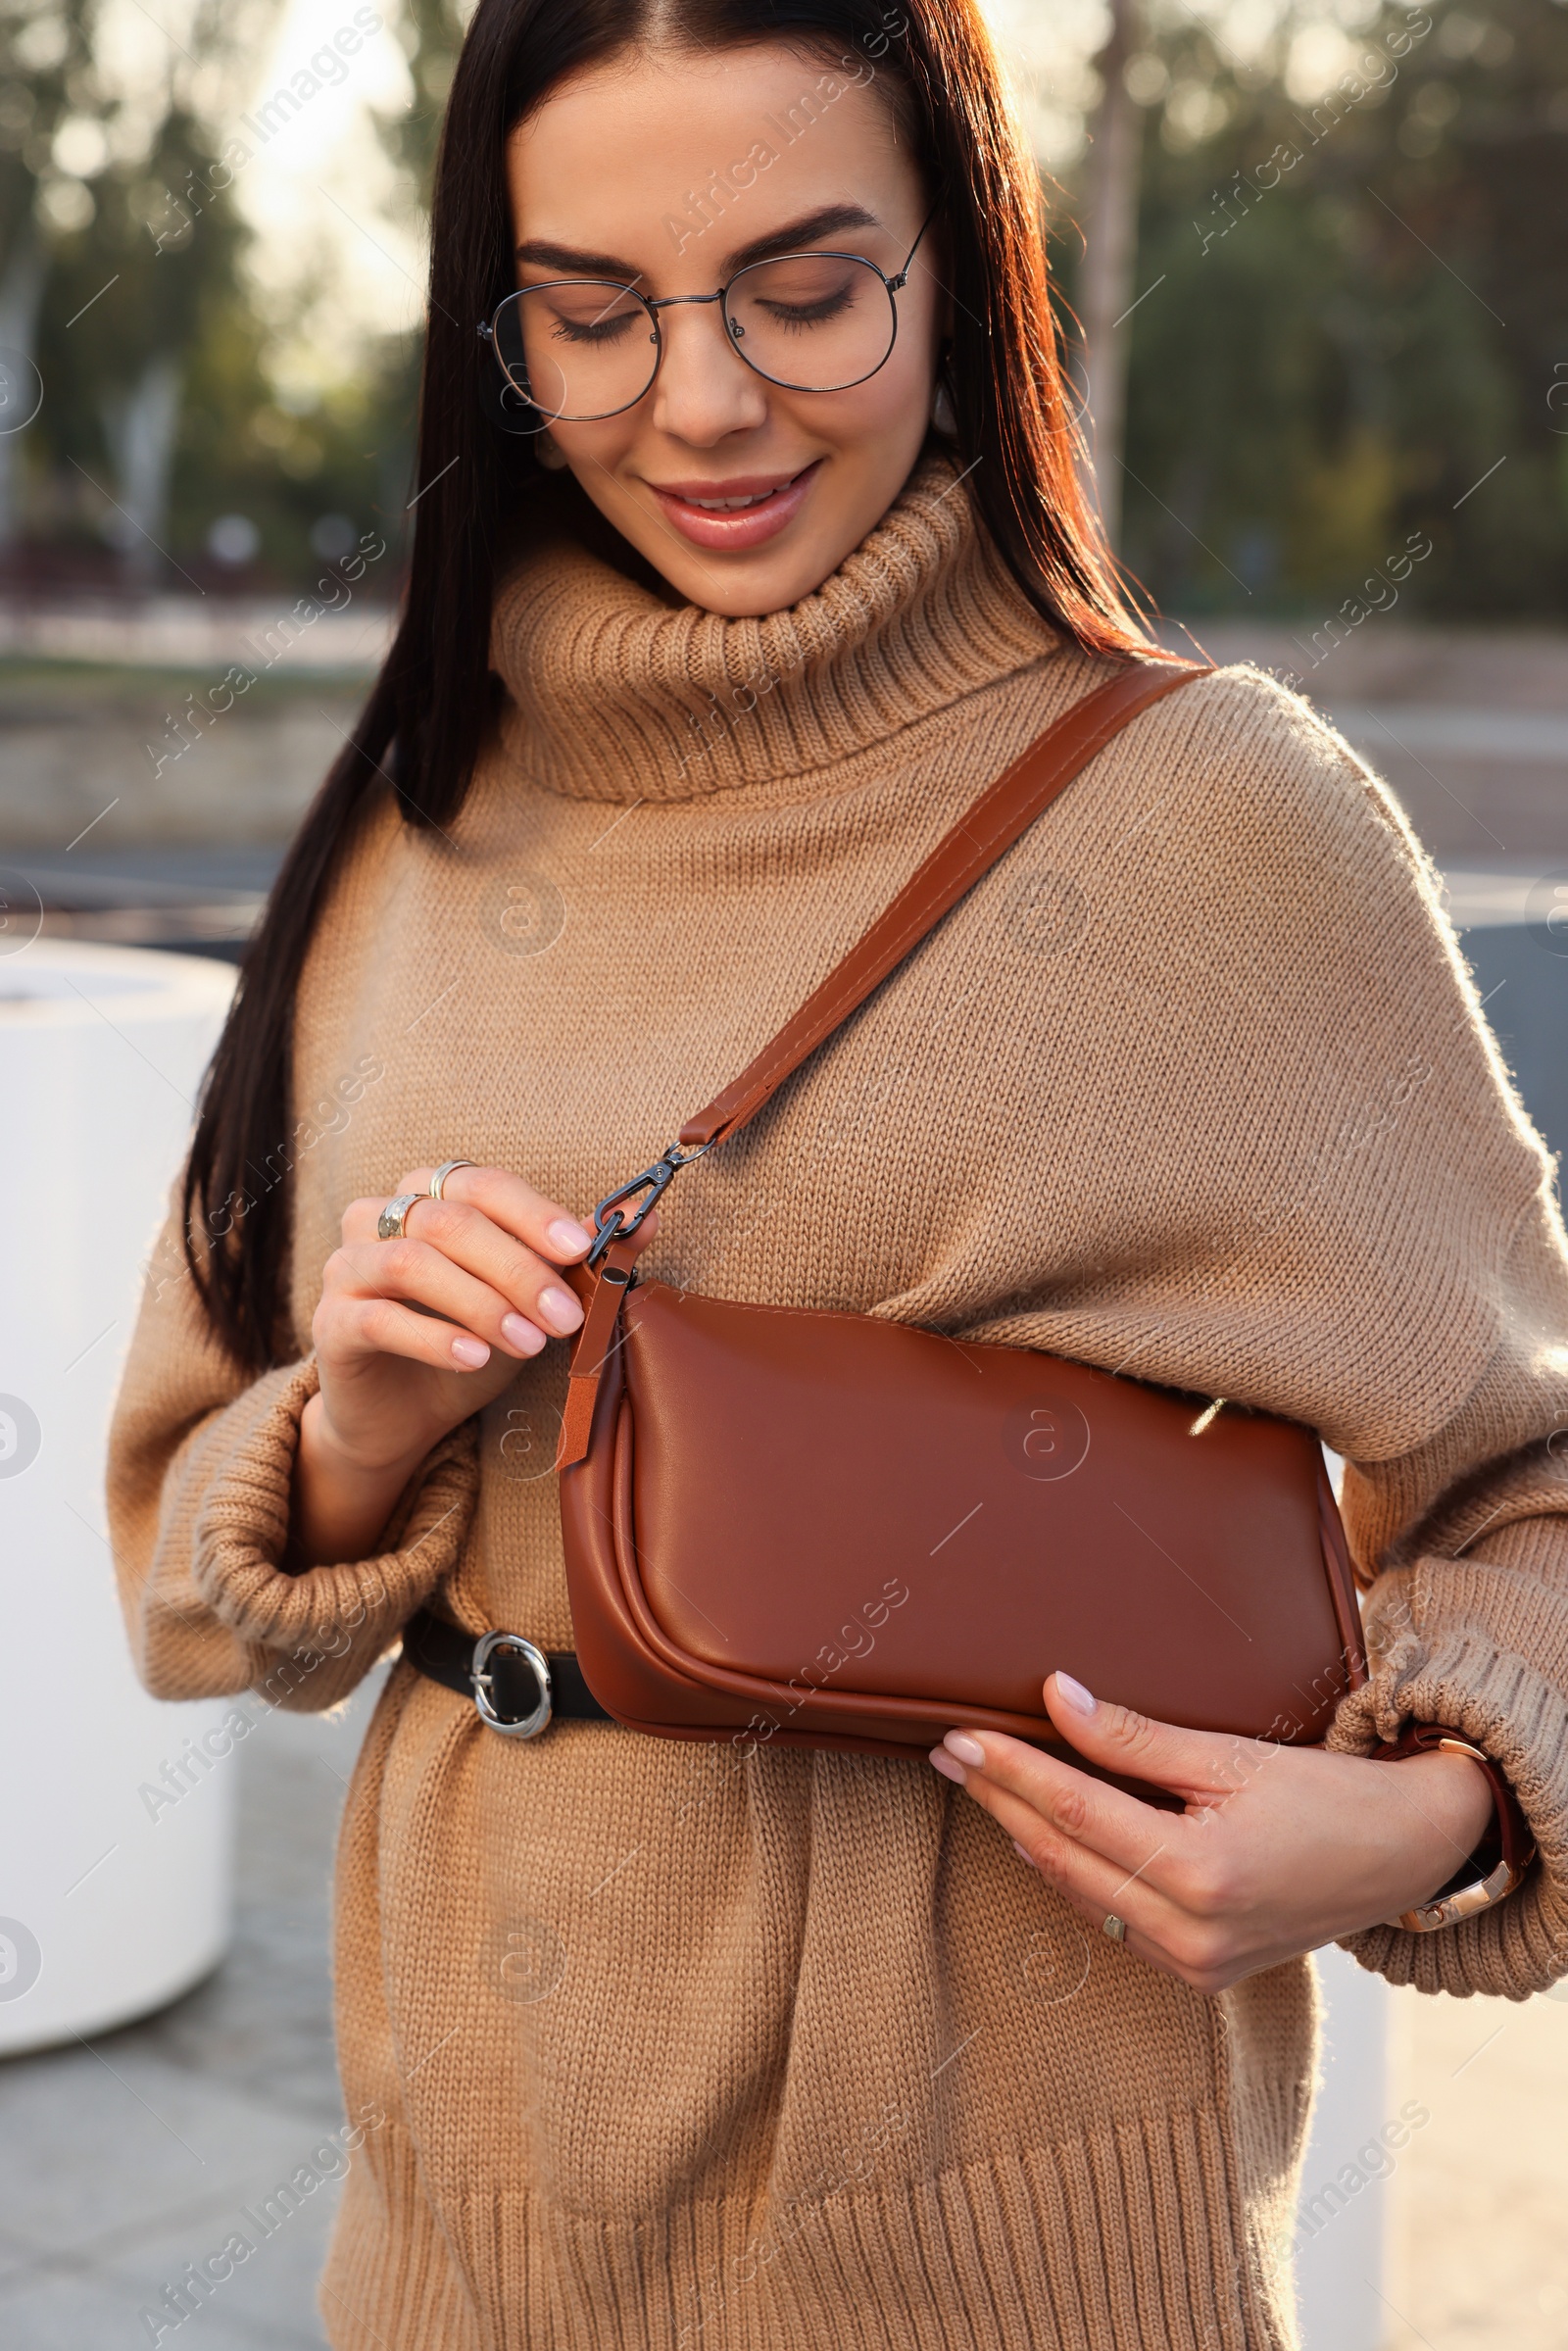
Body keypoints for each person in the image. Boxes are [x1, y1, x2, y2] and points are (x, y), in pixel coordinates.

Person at [108, 3, 1568, 2345]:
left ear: (962, 273)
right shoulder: (408, 816)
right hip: (459, 2230)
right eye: (587, 313)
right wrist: (357, 1421)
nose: (696, 402)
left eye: (805, 288)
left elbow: (1533, 1492)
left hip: (1005, 2241)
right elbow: (181, 1571)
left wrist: (1428, 1813)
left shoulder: (1215, 824)